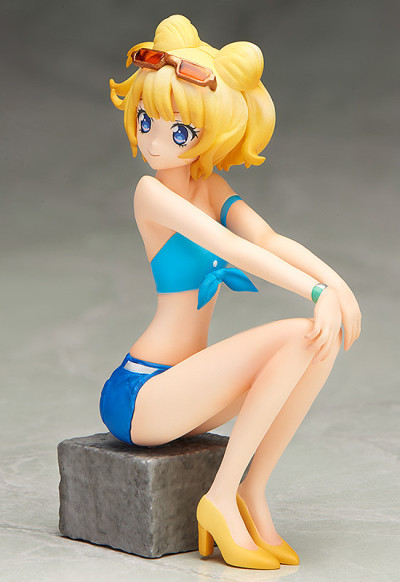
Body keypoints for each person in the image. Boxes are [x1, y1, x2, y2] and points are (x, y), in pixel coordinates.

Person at [100, 14, 361, 570]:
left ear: (211, 134)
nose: (154, 140)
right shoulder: (151, 192)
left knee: (315, 346)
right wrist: (316, 293)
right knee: (301, 332)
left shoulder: (210, 185)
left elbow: (266, 238)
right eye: (145, 120)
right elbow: (232, 248)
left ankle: (250, 490)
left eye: (178, 131)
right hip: (141, 394)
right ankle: (219, 497)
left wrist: (338, 287)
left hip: (186, 392)